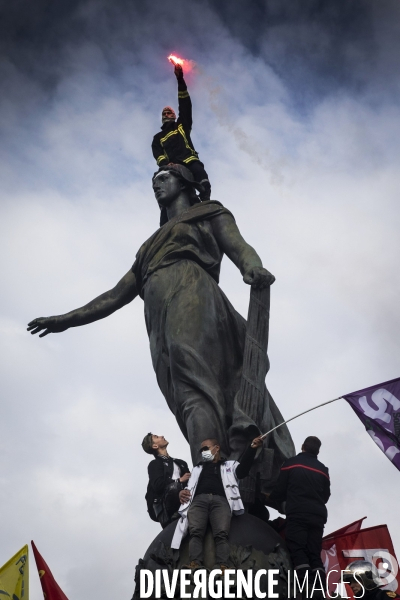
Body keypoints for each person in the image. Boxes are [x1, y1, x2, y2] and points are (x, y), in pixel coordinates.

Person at [27, 163, 294, 481]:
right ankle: (208, 471)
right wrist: (66, 320)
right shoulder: (148, 248)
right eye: (154, 181)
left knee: (196, 384)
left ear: (184, 184)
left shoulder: (208, 213)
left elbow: (239, 246)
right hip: (157, 321)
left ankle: (213, 471)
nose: (156, 185)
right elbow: (115, 295)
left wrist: (253, 267)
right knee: (185, 396)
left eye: (164, 178)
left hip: (192, 296)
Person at [171, 435, 264, 570]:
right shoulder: (197, 468)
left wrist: (251, 449)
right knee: (195, 532)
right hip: (198, 501)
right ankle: (195, 563)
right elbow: (190, 486)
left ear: (216, 448)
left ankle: (222, 565)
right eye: (201, 450)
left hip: (221, 501)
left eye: (206, 448)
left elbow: (243, 471)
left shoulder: (230, 465)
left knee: (221, 534)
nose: (203, 452)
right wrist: (181, 492)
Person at [267, 436, 330, 592]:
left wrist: (269, 497)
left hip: (298, 513)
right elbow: (326, 496)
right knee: (314, 554)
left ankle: (307, 588)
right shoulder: (323, 470)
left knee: (298, 548)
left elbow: (280, 491)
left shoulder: (290, 464)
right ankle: (320, 590)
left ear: (303, 446)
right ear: (318, 451)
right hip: (318, 516)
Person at [152, 63, 211, 200]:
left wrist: (180, 79)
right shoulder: (158, 138)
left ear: (174, 116)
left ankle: (206, 202)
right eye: (164, 113)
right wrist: (165, 165)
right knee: (161, 186)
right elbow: (158, 154)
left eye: (169, 112)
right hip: (171, 167)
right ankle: (165, 216)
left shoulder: (181, 126)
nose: (166, 114)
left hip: (189, 160)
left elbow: (185, 105)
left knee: (202, 176)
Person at [142, 432, 190, 528]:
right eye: (156, 437)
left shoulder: (181, 463)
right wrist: (179, 480)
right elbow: (158, 485)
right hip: (166, 507)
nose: (162, 436)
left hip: (185, 499)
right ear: (155, 446)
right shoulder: (154, 464)